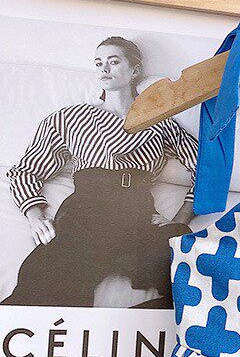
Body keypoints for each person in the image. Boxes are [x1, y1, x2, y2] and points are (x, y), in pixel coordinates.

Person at [3, 36, 197, 308]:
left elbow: (205, 169)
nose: (104, 68)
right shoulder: (71, 118)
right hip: (88, 210)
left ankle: (136, 325)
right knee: (48, 281)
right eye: (98, 63)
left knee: (190, 275)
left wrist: (180, 219)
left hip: (137, 214)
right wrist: (36, 217)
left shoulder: (160, 123)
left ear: (134, 70)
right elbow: (25, 170)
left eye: (113, 62)